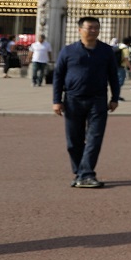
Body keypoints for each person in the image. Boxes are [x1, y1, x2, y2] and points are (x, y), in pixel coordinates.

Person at [52, 17, 121, 189]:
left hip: (98, 100)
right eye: (90, 28)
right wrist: (56, 100)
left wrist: (114, 98)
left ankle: (87, 173)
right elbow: (58, 76)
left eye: (96, 28)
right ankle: (80, 173)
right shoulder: (68, 51)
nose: (93, 31)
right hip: (73, 99)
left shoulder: (106, 51)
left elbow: (114, 75)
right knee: (73, 140)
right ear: (79, 30)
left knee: (94, 139)